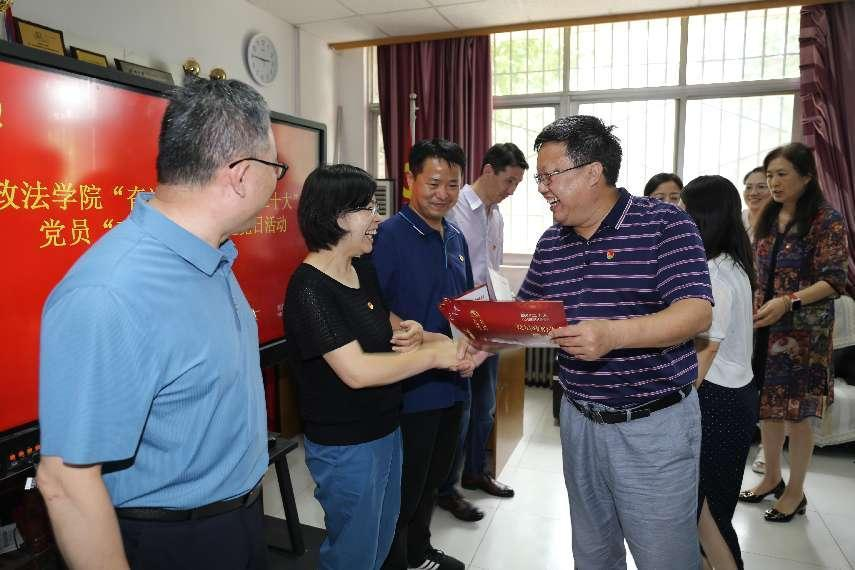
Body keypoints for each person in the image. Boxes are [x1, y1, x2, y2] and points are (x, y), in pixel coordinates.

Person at [37, 79, 280, 569]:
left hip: (241, 520)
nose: (278, 180)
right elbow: (65, 481)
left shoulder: (212, 256)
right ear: (241, 174)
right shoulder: (110, 293)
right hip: (172, 541)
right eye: (275, 168)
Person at [518, 115, 713, 569]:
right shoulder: (552, 243)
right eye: (539, 178)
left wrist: (614, 334)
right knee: (593, 553)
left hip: (653, 426)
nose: (542, 188)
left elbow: (696, 312)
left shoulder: (665, 224)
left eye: (550, 176)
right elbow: (525, 317)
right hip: (578, 421)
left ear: (593, 172)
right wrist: (474, 335)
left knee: (664, 557)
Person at [284, 164, 470, 570]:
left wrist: (418, 333)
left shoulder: (361, 270)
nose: (378, 219)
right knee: (354, 553)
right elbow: (357, 371)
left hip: (387, 429)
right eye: (368, 208)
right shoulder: (309, 288)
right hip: (346, 446)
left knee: (383, 541)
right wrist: (434, 357)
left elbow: (389, 324)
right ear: (337, 216)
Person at [373, 139, 473, 570]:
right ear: (410, 179)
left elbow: (463, 304)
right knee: (406, 484)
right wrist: (418, 337)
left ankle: (418, 551)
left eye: (452, 185)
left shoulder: (455, 236)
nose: (443, 194)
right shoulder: (388, 236)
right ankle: (394, 559)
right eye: (433, 183)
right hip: (412, 386)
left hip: (453, 381)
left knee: (435, 476)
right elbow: (372, 304)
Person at [738, 143, 848, 523]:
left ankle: (796, 492)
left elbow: (833, 281)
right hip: (765, 328)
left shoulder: (826, 219)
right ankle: (771, 477)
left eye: (782, 174)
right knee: (768, 406)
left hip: (804, 334)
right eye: (770, 175)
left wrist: (789, 302)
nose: (773, 182)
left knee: (799, 414)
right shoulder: (768, 215)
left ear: (806, 176)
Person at [437, 143, 528, 522]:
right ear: (488, 170)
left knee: (485, 406)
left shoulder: (496, 217)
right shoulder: (454, 208)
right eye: (509, 181)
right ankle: (446, 489)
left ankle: (476, 472)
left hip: (487, 321)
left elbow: (492, 269)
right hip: (457, 322)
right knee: (460, 409)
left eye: (517, 183)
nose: (512, 190)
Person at [683, 175, 758, 570]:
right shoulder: (734, 265)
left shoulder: (714, 273)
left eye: (685, 211)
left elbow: (707, 349)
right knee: (709, 505)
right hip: (736, 395)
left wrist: (675, 402)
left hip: (717, 399)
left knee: (706, 512)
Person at [741, 166, 772, 241]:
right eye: (748, 187)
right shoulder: (737, 219)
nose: (753, 193)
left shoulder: (781, 223)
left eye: (761, 187)